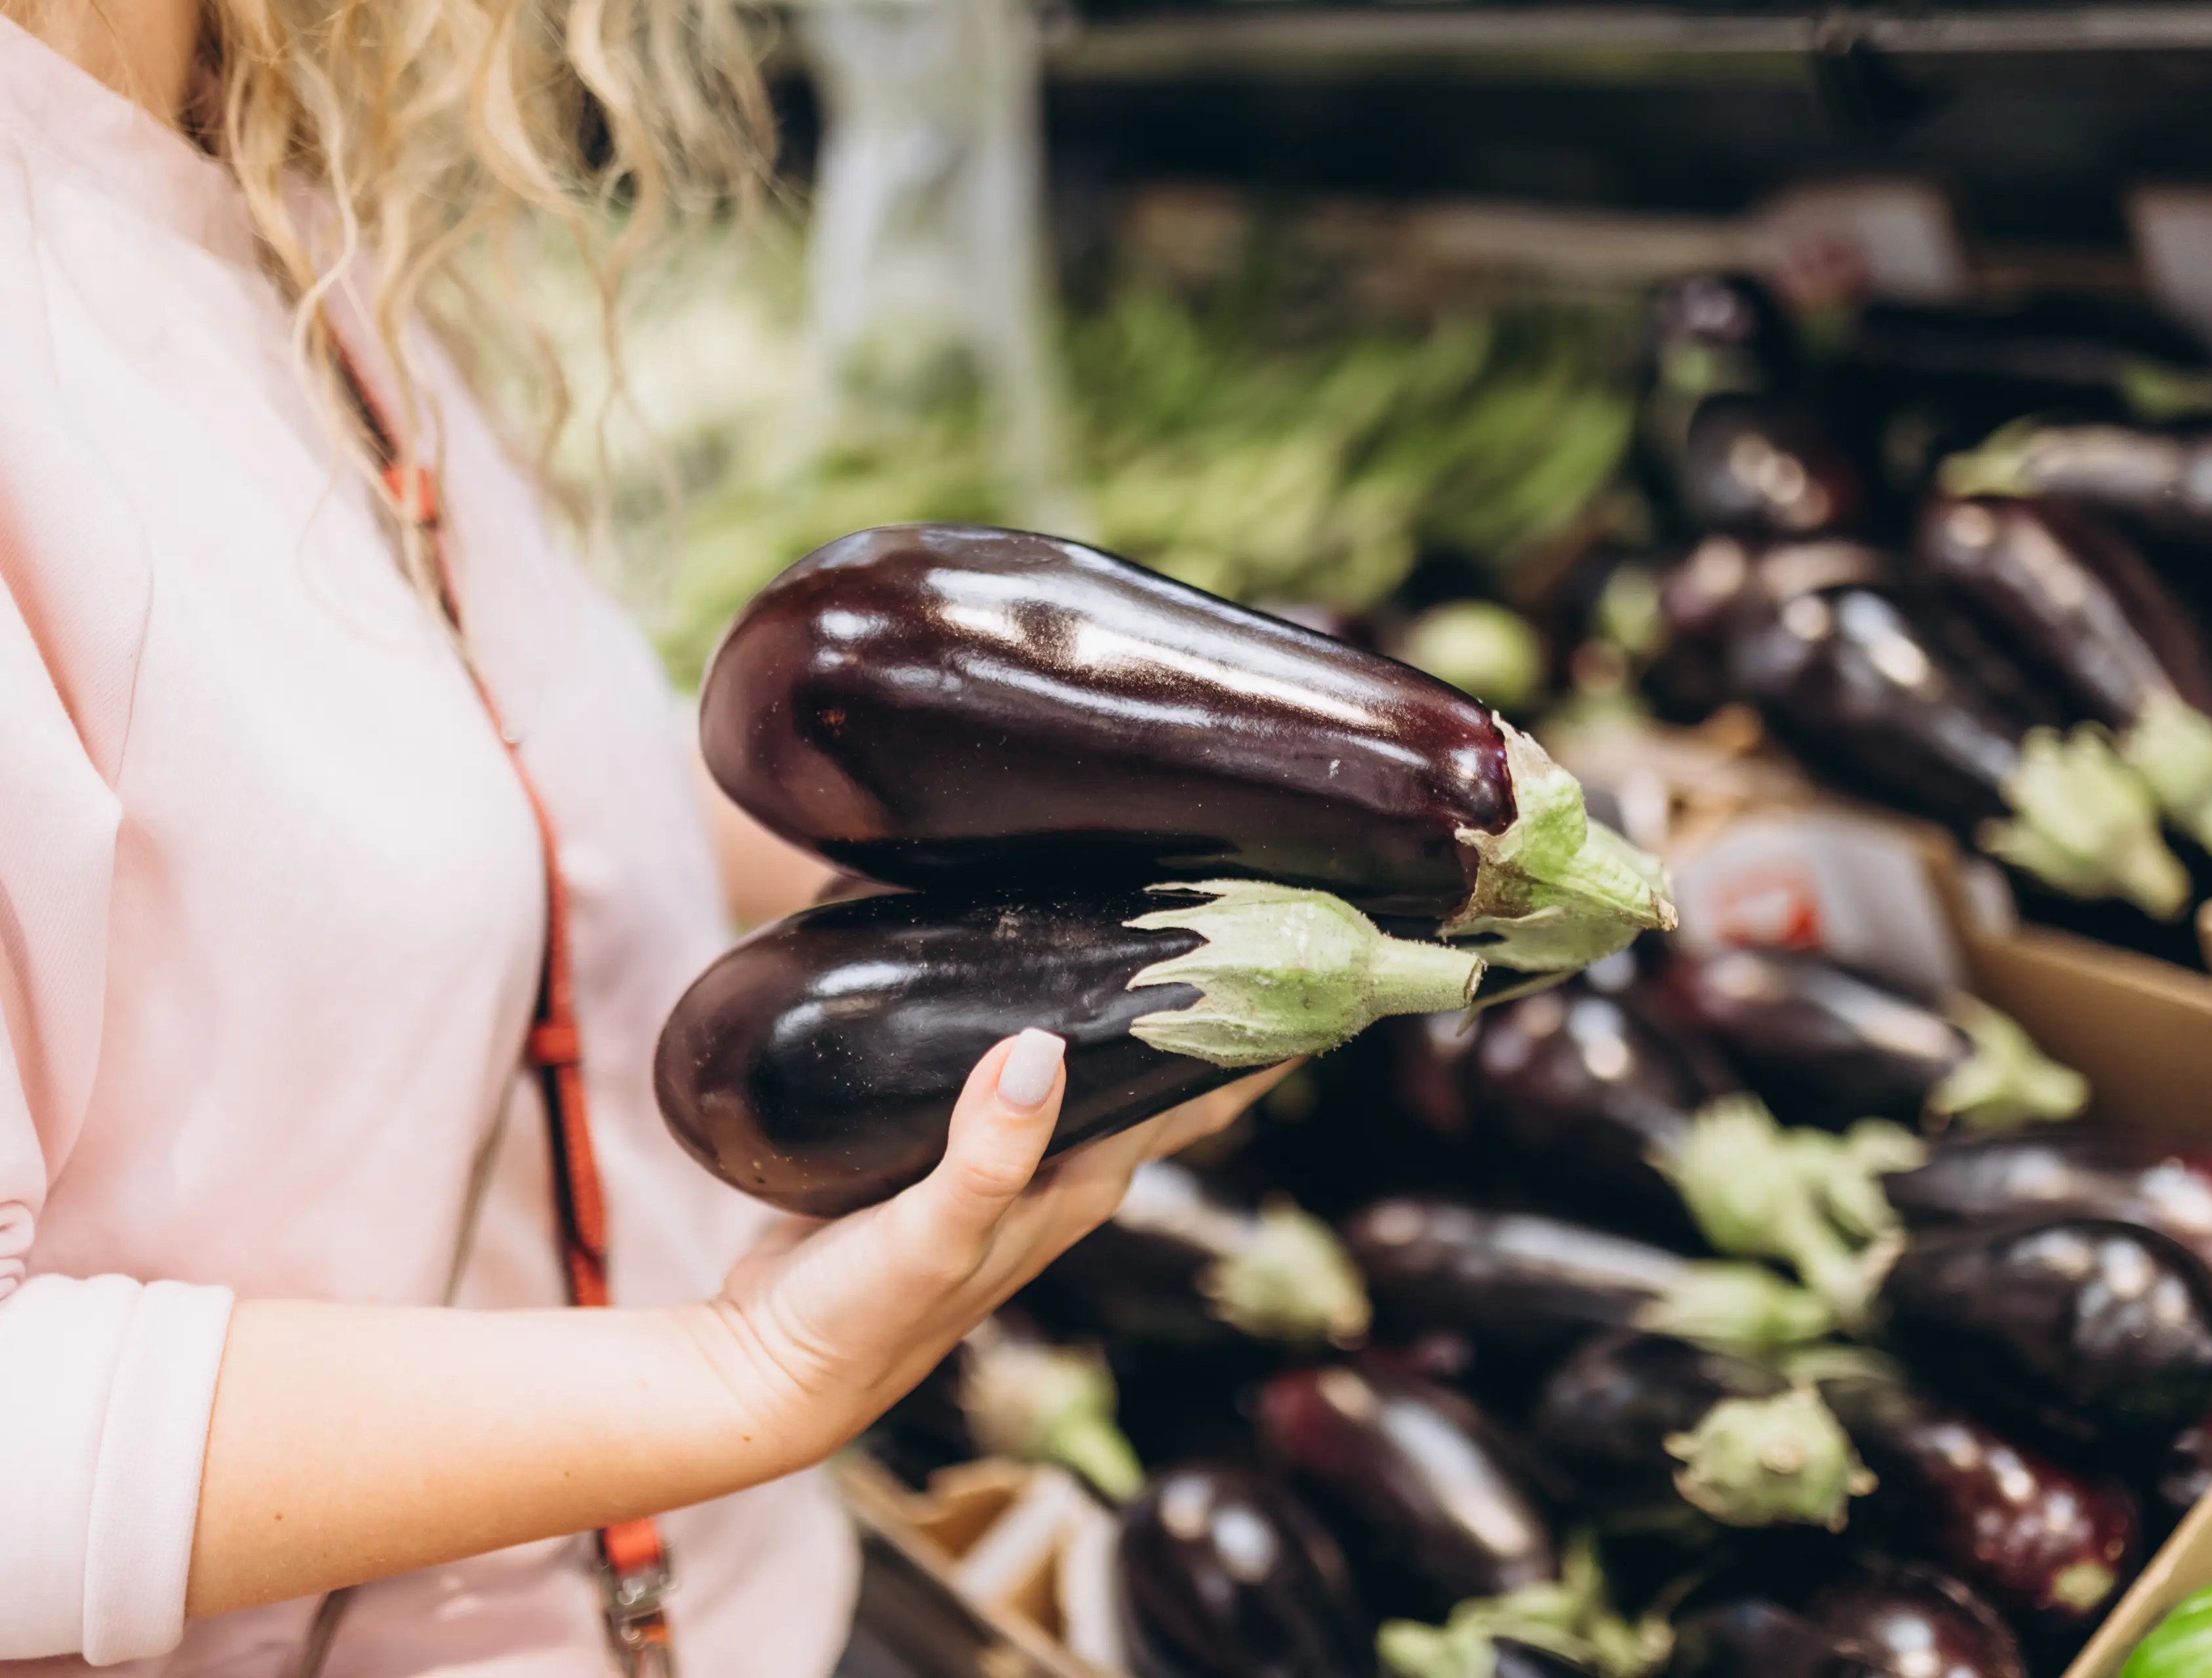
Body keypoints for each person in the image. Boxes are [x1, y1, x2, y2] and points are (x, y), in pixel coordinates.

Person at [0, 3, 1282, 1671]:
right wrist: (735, 1375)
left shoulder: (269, 192)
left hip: (737, 1602)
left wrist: (1129, 906)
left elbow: (500, 835)